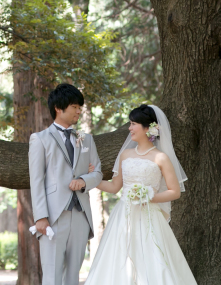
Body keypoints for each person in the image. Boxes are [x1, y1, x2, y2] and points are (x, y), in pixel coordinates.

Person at [84, 104, 196, 285]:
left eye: (133, 124)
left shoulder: (161, 157)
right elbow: (114, 187)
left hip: (150, 216)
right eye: (130, 124)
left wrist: (149, 197)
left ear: (148, 128)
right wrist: (91, 180)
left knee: (153, 259)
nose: (129, 128)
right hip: (124, 216)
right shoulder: (126, 155)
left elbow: (174, 191)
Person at [29, 83, 103, 285]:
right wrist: (41, 217)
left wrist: (83, 181)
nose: (79, 111)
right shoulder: (40, 139)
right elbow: (36, 181)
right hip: (54, 216)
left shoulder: (86, 140)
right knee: (52, 276)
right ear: (58, 108)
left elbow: (97, 172)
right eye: (75, 106)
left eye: (80, 107)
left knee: (73, 276)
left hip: (80, 215)